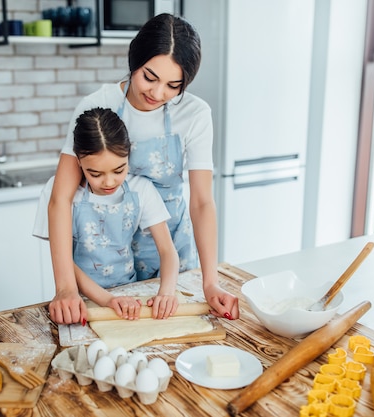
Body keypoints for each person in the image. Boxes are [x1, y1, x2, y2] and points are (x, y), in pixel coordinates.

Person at [47, 13, 239, 325]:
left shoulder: (195, 114)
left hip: (169, 248)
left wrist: (210, 282)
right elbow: (60, 199)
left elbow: (202, 202)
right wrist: (66, 287)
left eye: (173, 85)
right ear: (135, 59)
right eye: (149, 77)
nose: (158, 93)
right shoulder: (98, 104)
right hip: (107, 256)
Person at [34, 107, 179, 320]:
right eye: (95, 174)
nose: (109, 182)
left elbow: (168, 251)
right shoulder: (58, 193)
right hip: (79, 300)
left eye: (119, 170)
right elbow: (64, 260)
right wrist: (107, 300)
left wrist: (166, 293)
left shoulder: (142, 190)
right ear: (78, 161)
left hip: (131, 296)